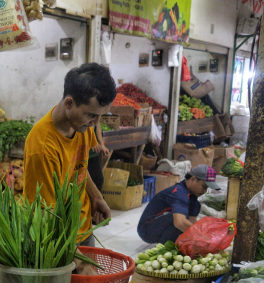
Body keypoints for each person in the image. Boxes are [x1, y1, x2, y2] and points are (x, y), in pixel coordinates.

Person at [23, 63, 117, 247]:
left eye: (100, 116)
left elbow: (78, 167)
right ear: (69, 103)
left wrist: (96, 197)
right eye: (92, 115)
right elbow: (43, 215)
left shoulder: (82, 125)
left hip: (82, 229)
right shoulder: (42, 147)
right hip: (57, 244)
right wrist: (78, 260)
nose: (95, 123)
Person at [137, 165, 220, 244]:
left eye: (207, 188)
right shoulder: (179, 193)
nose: (205, 191)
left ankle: (173, 241)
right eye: (204, 186)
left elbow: (192, 221)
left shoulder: (193, 194)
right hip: (147, 230)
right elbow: (180, 223)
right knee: (179, 218)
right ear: (193, 179)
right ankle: (164, 248)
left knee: (195, 207)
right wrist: (202, 237)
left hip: (159, 224)